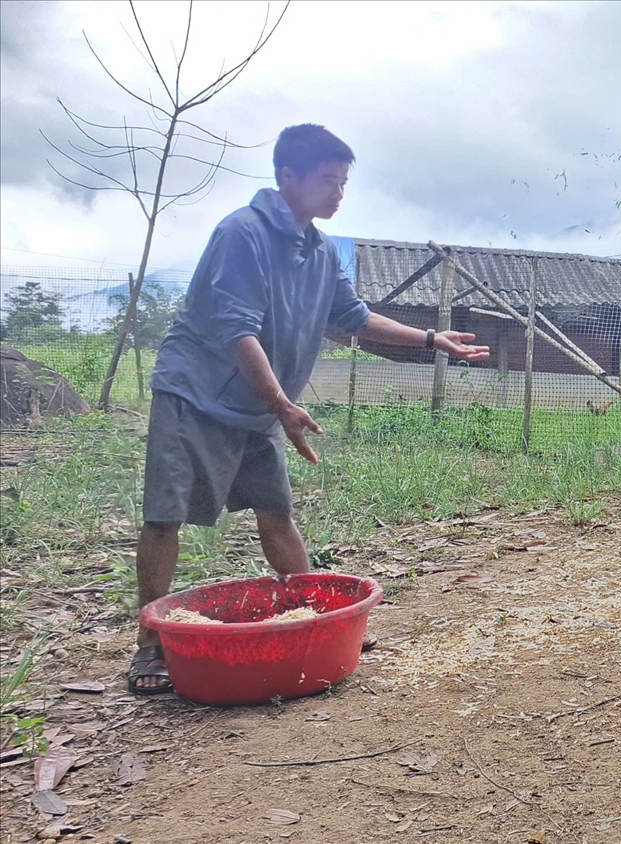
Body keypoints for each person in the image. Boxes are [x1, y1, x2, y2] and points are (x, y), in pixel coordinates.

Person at [128, 124, 489, 694]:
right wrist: (282, 402)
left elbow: (355, 316)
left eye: (344, 182)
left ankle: (318, 623)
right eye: (328, 180)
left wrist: (428, 339)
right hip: (195, 395)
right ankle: (150, 646)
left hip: (261, 403)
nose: (338, 193)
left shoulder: (319, 249)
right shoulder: (241, 234)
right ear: (287, 176)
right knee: (165, 514)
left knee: (276, 510)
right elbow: (236, 330)